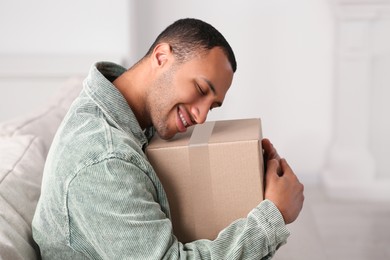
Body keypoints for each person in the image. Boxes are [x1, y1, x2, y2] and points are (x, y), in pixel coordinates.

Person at [32, 18, 304, 259]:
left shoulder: (131, 123)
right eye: (200, 88)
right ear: (161, 56)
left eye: (212, 106)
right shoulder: (103, 161)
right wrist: (273, 216)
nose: (201, 117)